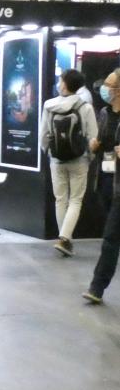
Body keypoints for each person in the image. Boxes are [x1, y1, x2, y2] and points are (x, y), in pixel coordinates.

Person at [41, 69, 97, 257]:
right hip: (79, 159)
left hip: (56, 159)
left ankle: (65, 240)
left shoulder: (49, 106)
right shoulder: (85, 107)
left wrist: (49, 153)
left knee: (60, 199)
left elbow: (43, 136)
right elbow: (92, 136)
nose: (59, 83)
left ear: (64, 84)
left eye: (60, 80)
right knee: (75, 200)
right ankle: (65, 238)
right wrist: (90, 156)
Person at [83, 68, 120, 304]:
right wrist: (93, 145)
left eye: (109, 84)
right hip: (108, 182)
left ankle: (97, 287)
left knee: (111, 237)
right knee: (111, 237)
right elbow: (97, 140)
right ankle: (97, 287)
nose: (104, 89)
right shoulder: (105, 113)